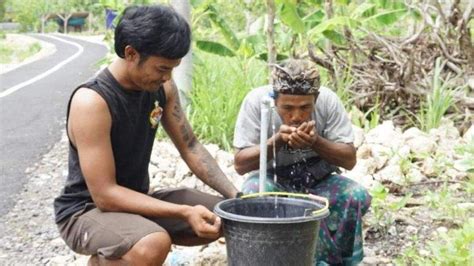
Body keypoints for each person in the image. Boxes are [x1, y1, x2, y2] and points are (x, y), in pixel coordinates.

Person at [53, 5, 239, 265]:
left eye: (172, 69)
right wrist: (184, 211)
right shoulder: (93, 101)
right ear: (131, 53)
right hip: (86, 211)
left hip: (135, 200)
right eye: (162, 68)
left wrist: (237, 197)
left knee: (229, 217)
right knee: (154, 243)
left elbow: (191, 146)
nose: (167, 77)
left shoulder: (162, 87)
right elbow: (105, 196)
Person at [233, 59, 371, 265]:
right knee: (253, 194)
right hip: (274, 178)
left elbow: (349, 159)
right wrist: (276, 141)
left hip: (318, 178)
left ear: (316, 98)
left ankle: (341, 260)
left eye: (305, 107)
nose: (296, 116)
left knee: (355, 194)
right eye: (287, 107)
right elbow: (240, 164)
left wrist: (316, 142)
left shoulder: (328, 102)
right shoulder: (257, 103)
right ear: (275, 100)